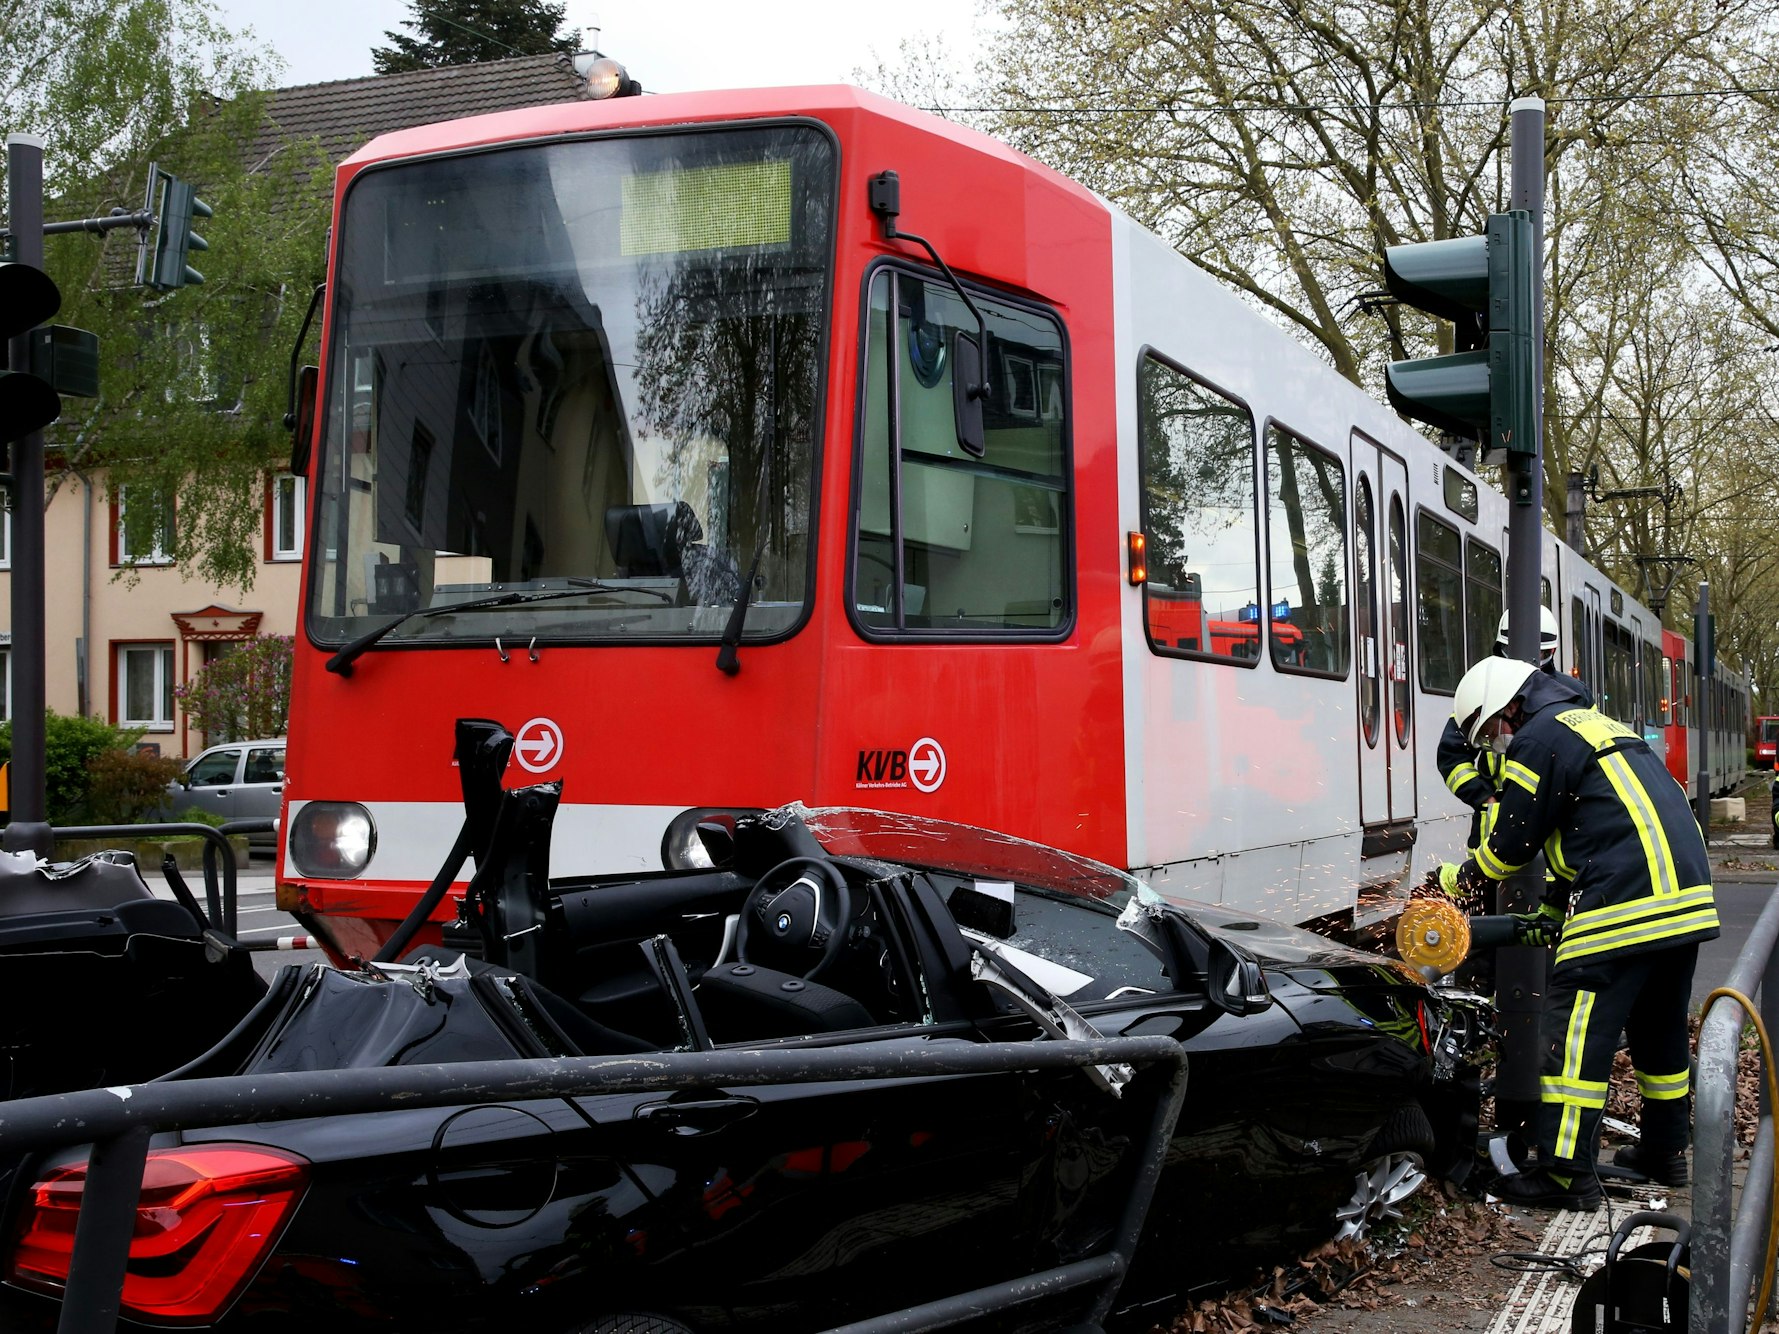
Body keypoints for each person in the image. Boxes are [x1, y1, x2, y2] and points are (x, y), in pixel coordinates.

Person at [1436, 656, 1719, 1209]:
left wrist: (1455, 880)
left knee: (1572, 1041)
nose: (1497, 744)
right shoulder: (1597, 724)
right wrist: (1559, 906)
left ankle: (1565, 1174)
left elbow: (1512, 843)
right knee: (1658, 1033)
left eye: (1493, 731)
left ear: (1508, 708)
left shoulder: (1538, 737)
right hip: (1683, 897)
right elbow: (1599, 829)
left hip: (1626, 901)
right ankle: (1665, 1149)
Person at [1436, 607, 1581, 848]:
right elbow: (1451, 756)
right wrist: (1485, 797)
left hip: (1554, 827)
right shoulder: (1481, 692)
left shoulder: (1575, 695)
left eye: (1541, 653)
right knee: (1487, 877)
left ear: (1552, 652)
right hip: (1495, 825)